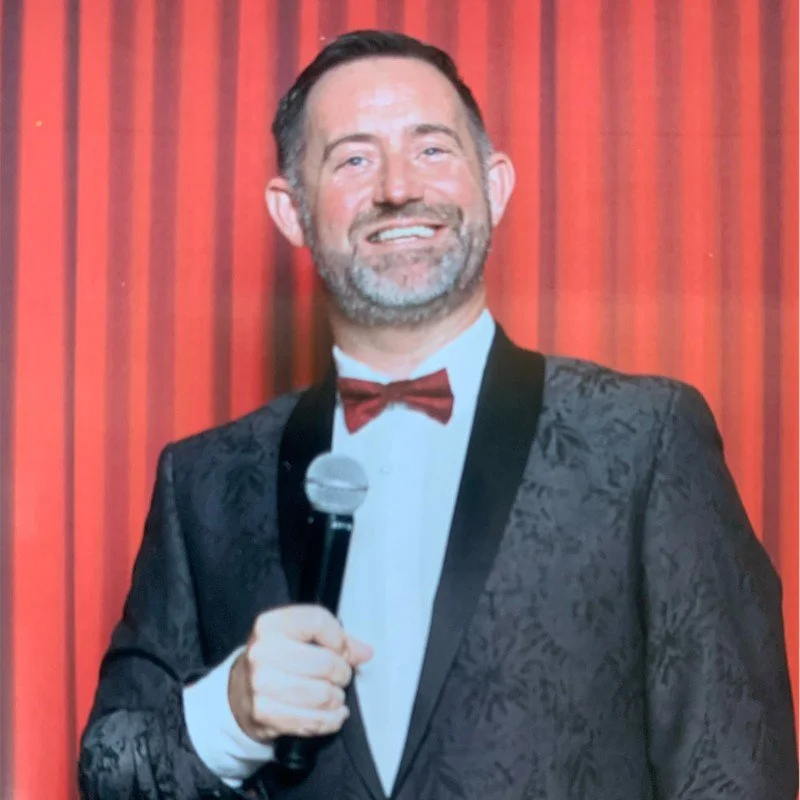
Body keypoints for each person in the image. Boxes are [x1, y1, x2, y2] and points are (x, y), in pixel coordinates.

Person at [78, 30, 797, 800]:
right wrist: (229, 714)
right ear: (291, 212)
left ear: (495, 186)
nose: (398, 187)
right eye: (353, 159)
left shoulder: (645, 440)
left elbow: (735, 769)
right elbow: (107, 770)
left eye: (431, 149)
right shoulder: (204, 481)